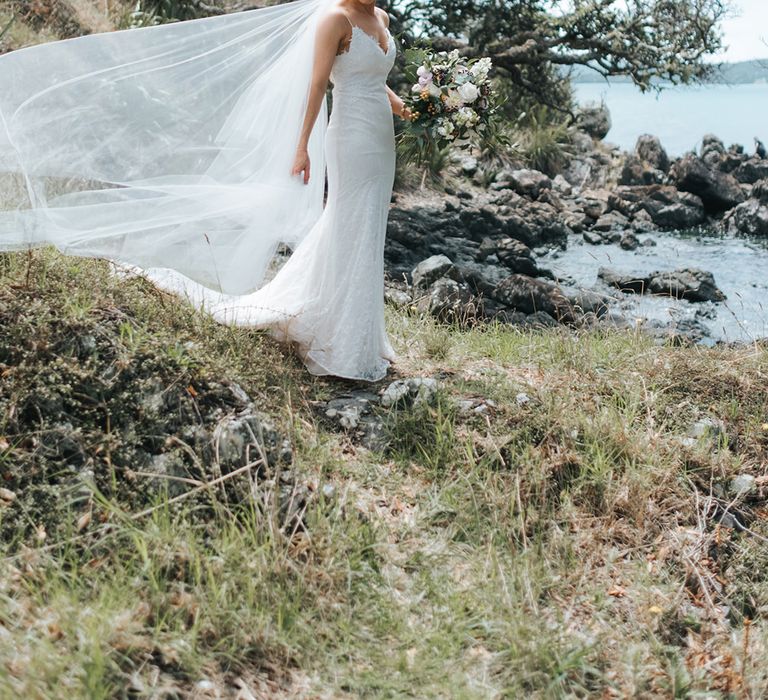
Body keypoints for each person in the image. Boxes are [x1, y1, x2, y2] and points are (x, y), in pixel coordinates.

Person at [0, 0, 410, 382]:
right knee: (346, 218)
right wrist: (301, 147)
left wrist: (420, 108)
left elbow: (375, 84)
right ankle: (340, 334)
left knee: (369, 219)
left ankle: (362, 329)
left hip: (380, 140)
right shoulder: (334, 20)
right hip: (351, 139)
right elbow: (318, 85)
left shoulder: (383, 20)